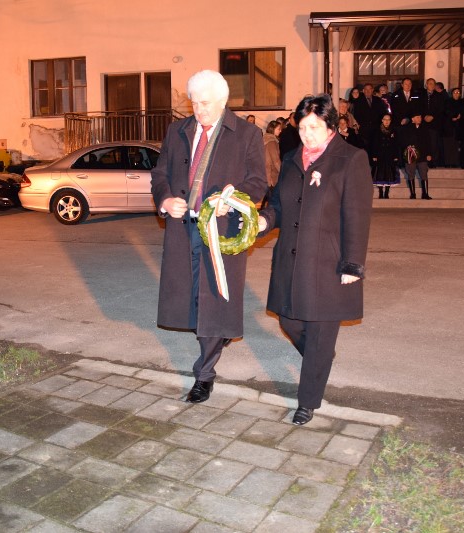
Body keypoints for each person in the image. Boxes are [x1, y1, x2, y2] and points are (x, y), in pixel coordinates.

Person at [150, 70, 267, 404]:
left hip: (221, 230)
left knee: (212, 300)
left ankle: (204, 375)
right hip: (182, 228)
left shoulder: (247, 134)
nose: (198, 110)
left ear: (223, 101)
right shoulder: (177, 131)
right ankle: (215, 334)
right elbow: (160, 174)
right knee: (192, 300)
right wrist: (165, 199)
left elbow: (258, 182)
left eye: (205, 103)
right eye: (194, 103)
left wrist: (234, 200)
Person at [256, 94, 372, 425]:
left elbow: (358, 215)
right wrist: (263, 221)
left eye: (315, 127)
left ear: (330, 126)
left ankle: (307, 402)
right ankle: (320, 357)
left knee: (320, 329)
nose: (307, 134)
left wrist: (352, 263)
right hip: (292, 259)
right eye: (303, 127)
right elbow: (279, 205)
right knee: (289, 320)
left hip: (328, 262)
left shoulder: (350, 159)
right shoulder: (292, 158)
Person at [398, 113, 433, 199]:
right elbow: (402, 141)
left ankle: (425, 194)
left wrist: (429, 153)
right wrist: (409, 148)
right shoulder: (406, 129)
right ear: (412, 119)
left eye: (420, 117)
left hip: (423, 155)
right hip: (410, 154)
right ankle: (413, 194)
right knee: (411, 174)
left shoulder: (424, 128)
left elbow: (428, 142)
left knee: (424, 173)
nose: (420, 119)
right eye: (417, 117)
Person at [353, 83, 388, 157]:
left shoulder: (378, 100)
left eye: (369, 89)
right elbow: (356, 115)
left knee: (375, 149)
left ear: (372, 90)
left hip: (376, 129)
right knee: (365, 150)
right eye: (366, 89)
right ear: (363, 91)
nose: (368, 91)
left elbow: (383, 113)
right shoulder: (358, 101)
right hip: (364, 130)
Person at [370, 113, 400, 198]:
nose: (386, 121)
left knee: (389, 175)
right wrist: (374, 155)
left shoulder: (394, 131)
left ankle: (386, 192)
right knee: (379, 174)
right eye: (385, 119)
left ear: (390, 121)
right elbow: (374, 144)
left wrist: (396, 156)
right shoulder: (377, 131)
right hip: (379, 156)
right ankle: (380, 192)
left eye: (388, 120)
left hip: (390, 156)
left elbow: (396, 144)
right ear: (382, 120)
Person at [262, 120, 282, 207]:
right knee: (272, 199)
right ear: (272, 129)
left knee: (268, 197)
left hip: (265, 173)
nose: (280, 131)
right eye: (278, 129)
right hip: (271, 176)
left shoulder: (265, 139)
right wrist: (283, 172)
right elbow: (276, 161)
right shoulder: (272, 142)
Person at [442, 87, 463, 167]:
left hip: (458, 127)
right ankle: (447, 163)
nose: (456, 94)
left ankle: (455, 162)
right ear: (452, 94)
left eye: (458, 93)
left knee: (456, 146)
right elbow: (445, 112)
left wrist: (460, 116)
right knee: (448, 145)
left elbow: (463, 112)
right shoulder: (447, 102)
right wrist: (452, 117)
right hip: (448, 127)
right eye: (455, 92)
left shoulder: (462, 102)